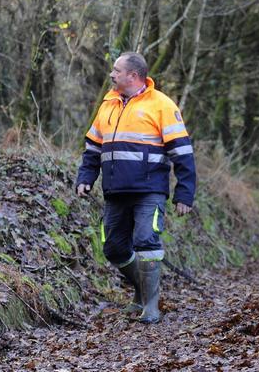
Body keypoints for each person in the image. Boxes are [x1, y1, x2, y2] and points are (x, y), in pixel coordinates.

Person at [75, 52, 196, 324]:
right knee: (114, 248)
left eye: (116, 70)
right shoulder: (108, 104)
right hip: (115, 191)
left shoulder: (162, 105)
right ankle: (141, 291)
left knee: (146, 241)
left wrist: (185, 193)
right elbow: (93, 149)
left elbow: (183, 153)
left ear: (133, 75)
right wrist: (85, 178)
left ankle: (150, 307)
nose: (112, 74)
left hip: (149, 190)